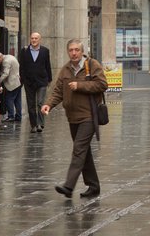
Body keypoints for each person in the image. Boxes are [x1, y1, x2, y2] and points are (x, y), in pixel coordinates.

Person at [42, 39, 108, 198]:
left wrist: (80, 86)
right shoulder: (65, 69)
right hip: (72, 117)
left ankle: (69, 186)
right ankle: (94, 186)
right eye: (71, 50)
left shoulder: (92, 65)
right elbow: (58, 90)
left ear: (82, 51)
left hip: (89, 116)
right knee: (84, 152)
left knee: (79, 149)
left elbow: (102, 84)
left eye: (77, 50)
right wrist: (49, 105)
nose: (74, 53)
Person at [20, 32, 53, 133]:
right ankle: (33, 125)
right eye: (32, 38)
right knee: (31, 104)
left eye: (36, 38)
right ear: (30, 39)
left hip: (42, 80)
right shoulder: (24, 51)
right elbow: (22, 66)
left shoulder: (45, 51)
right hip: (29, 82)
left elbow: (48, 65)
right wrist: (23, 79)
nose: (34, 40)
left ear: (39, 40)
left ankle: (40, 124)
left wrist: (49, 79)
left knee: (40, 103)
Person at [0, 51, 22, 122]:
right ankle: (18, 116)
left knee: (9, 99)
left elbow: (6, 74)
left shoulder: (6, 61)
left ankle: (11, 116)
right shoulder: (10, 56)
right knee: (17, 101)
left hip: (12, 84)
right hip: (17, 82)